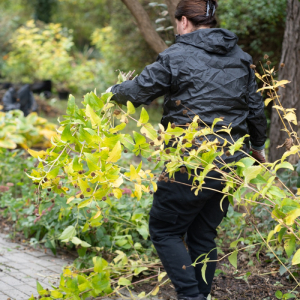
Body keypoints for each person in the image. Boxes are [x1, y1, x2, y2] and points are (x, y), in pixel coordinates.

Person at [107, 0, 267, 299]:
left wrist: (112, 93)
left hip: (188, 163)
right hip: (228, 164)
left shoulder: (176, 56)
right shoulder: (241, 58)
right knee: (203, 234)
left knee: (165, 231)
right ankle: (201, 295)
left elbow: (140, 91)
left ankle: (192, 297)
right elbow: (255, 109)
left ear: (183, 22)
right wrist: (257, 146)